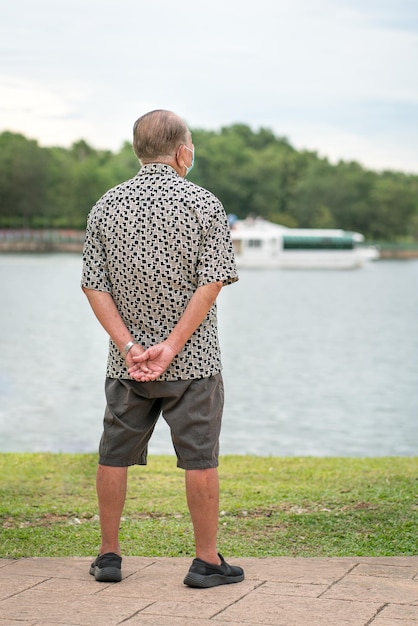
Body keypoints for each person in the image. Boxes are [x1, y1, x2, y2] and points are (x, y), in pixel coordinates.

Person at [81, 109, 244, 588]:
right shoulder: (205, 205)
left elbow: (94, 285)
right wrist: (171, 347)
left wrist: (131, 346)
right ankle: (206, 561)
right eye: (191, 145)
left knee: (113, 454)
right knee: (200, 459)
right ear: (182, 151)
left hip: (127, 364)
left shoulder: (104, 207)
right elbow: (212, 281)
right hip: (193, 362)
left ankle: (109, 555)